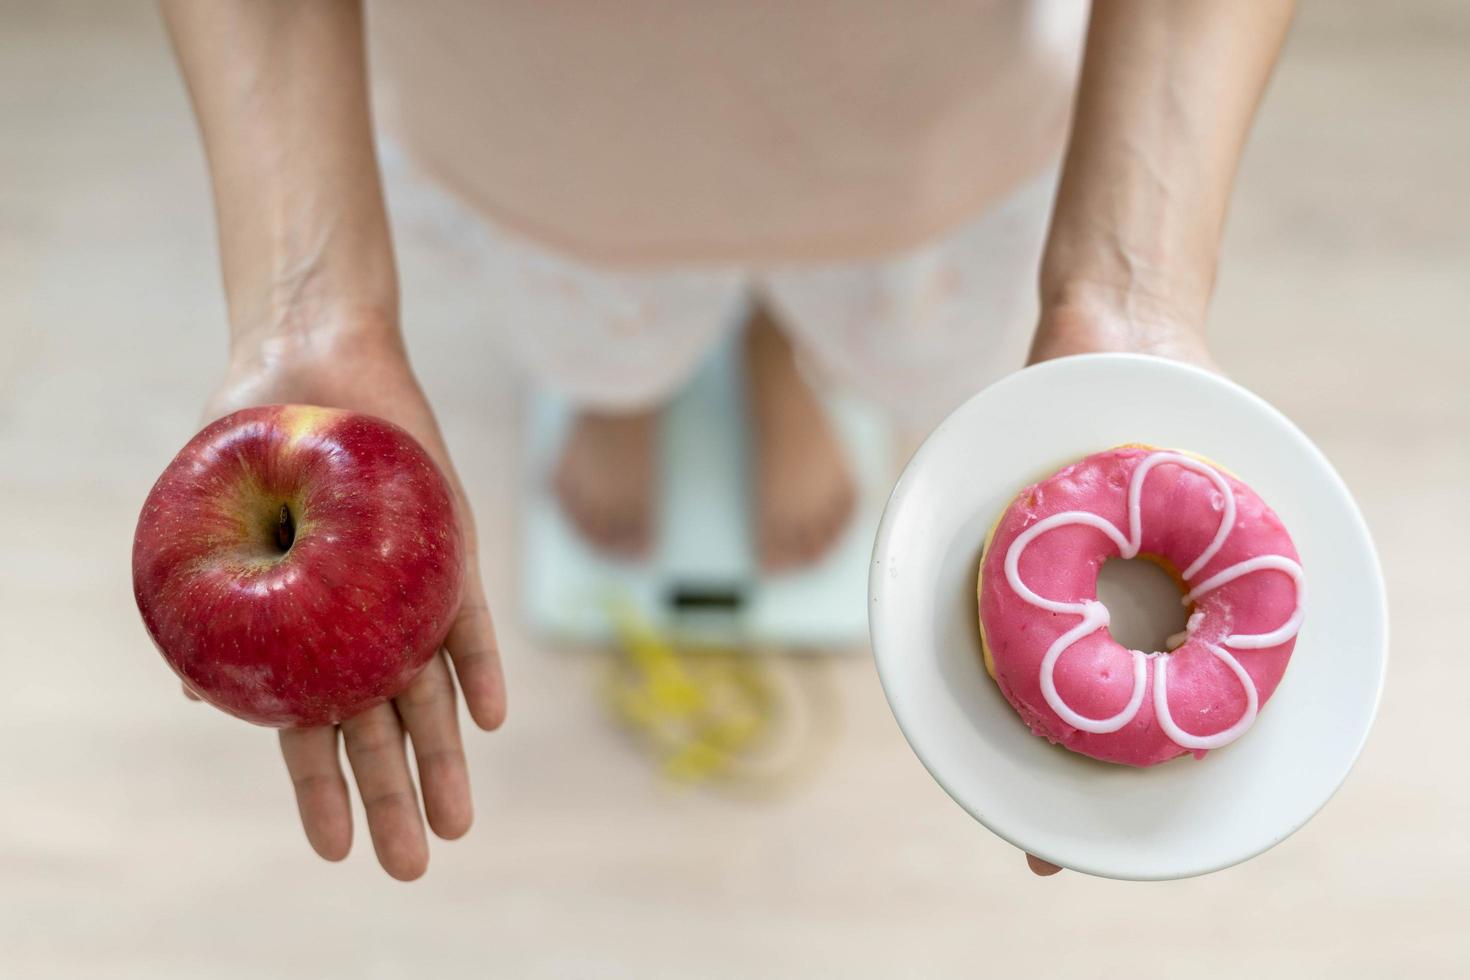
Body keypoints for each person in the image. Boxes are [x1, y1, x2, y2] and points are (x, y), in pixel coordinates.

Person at [160, 0, 1294, 880]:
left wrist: (1132, 286)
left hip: (927, 117)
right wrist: (310, 298)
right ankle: (626, 388)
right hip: (541, 130)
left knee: (876, 311)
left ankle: (774, 356)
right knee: (599, 329)